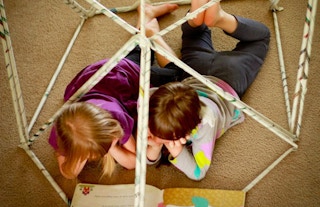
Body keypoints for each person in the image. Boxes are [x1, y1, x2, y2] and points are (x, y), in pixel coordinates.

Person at [48, 3, 181, 180]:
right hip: (98, 80)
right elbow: (68, 172)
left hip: (122, 76)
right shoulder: (62, 133)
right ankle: (146, 18)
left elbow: (135, 161)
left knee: (177, 76)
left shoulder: (114, 120)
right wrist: (78, 157)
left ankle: (151, 29)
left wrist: (113, 148)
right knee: (136, 49)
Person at [146, 0, 270, 180]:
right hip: (194, 73)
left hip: (228, 78)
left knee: (261, 38)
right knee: (193, 37)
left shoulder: (203, 127)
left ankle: (215, 17)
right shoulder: (151, 100)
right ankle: (216, 18)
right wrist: (159, 147)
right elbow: (148, 158)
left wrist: (178, 151)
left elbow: (198, 173)